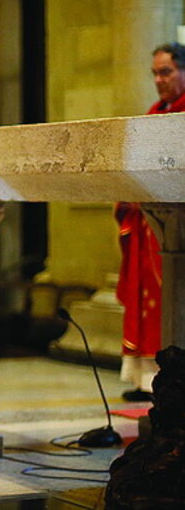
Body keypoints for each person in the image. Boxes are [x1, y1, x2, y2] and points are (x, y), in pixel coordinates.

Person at [114, 42, 185, 402]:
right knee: (146, 300)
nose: (159, 80)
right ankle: (148, 379)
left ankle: (173, 378)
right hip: (150, 227)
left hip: (178, 226)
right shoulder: (154, 113)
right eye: (155, 73)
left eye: (166, 72)